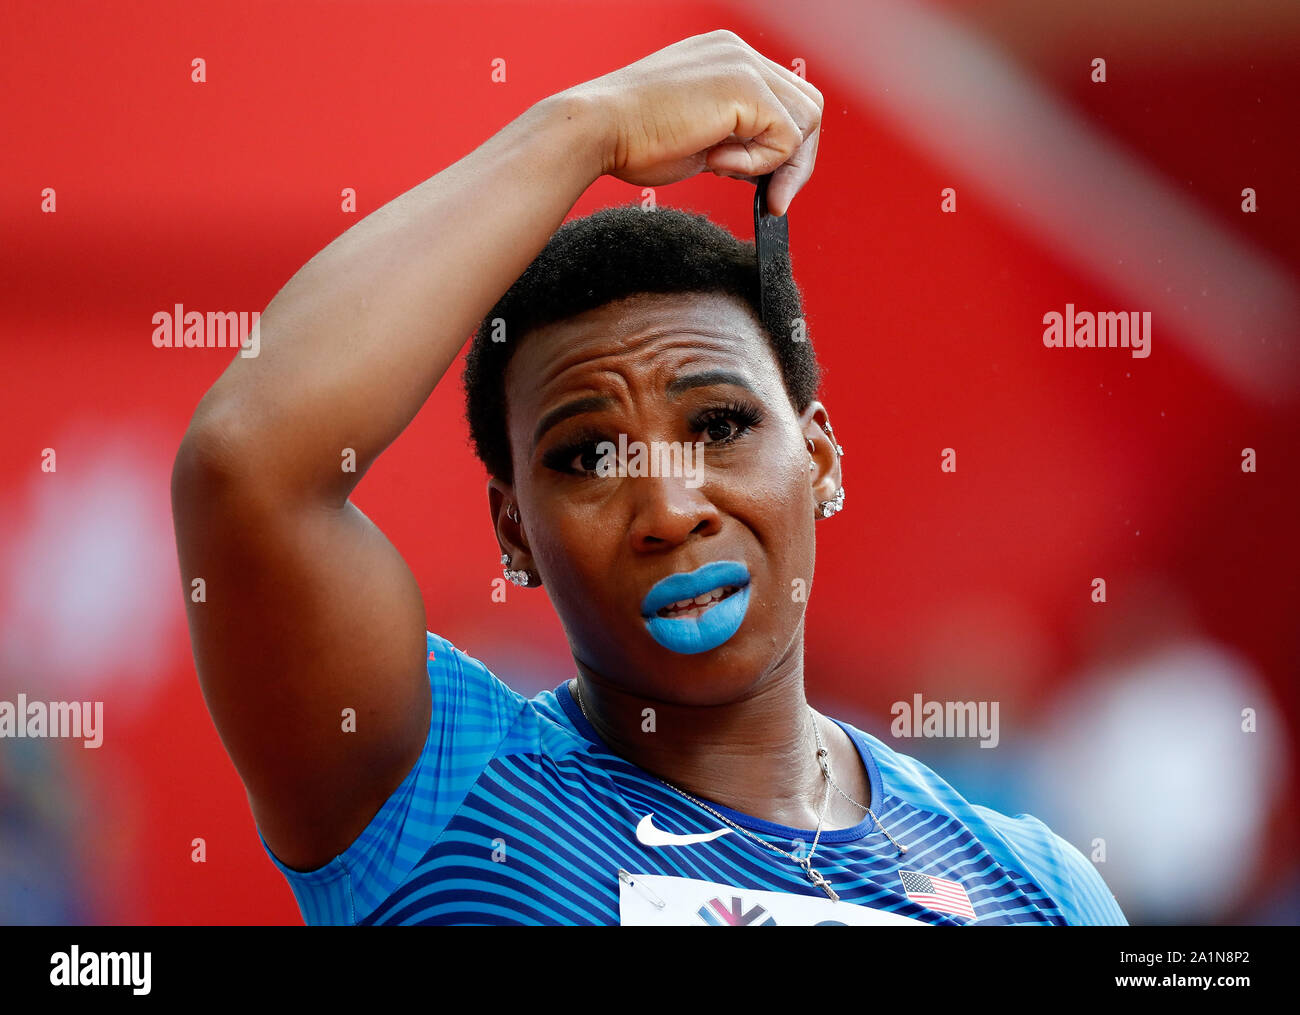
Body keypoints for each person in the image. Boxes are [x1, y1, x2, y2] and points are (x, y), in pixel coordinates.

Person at [171, 30, 1126, 926]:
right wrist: (589, 124)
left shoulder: (1033, 884)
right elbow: (247, 463)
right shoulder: (436, 793)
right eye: (588, 457)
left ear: (821, 457)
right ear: (514, 532)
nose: (669, 509)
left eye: (719, 425)